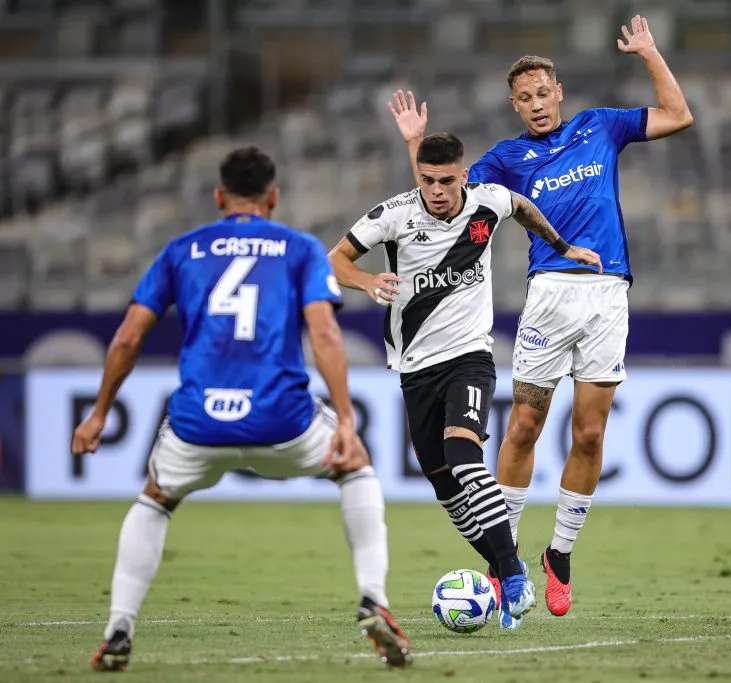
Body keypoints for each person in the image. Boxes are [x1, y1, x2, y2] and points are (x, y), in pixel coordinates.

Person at [387, 14, 693, 616]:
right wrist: (412, 143)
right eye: (524, 98)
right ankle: (506, 562)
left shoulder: (599, 127)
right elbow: (439, 198)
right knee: (524, 425)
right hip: (548, 295)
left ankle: (560, 555)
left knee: (590, 433)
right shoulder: (506, 158)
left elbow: (678, 115)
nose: (536, 104)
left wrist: (650, 54)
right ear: (515, 106)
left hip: (608, 294)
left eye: (543, 93)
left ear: (559, 93)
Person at [73, 147, 410, 671]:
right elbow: (324, 335)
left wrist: (98, 413)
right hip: (282, 419)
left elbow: (127, 339)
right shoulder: (299, 249)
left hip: (199, 424)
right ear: (273, 197)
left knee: (155, 498)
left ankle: (119, 629)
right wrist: (346, 421)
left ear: (218, 196)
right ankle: (373, 599)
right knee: (357, 468)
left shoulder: (182, 250)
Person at [328, 133, 601, 630]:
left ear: (464, 176)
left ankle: (512, 577)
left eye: (446, 181)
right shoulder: (393, 215)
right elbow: (335, 260)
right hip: (415, 368)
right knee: (445, 485)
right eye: (427, 181)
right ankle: (506, 565)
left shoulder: (486, 201)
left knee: (462, 455)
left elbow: (522, 206)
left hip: (470, 357)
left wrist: (562, 247)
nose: (437, 190)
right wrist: (366, 281)